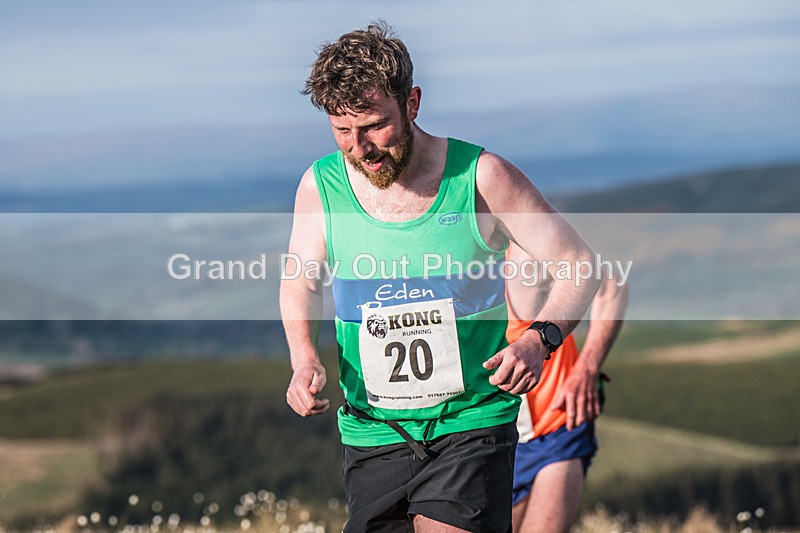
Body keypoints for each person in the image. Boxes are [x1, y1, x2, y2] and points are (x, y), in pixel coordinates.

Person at [280, 22, 600, 533]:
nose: (360, 149)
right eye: (343, 131)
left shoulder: (481, 177)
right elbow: (301, 279)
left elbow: (578, 265)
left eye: (374, 126)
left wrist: (541, 339)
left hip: (471, 423)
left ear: (412, 103)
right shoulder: (321, 187)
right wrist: (303, 358)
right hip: (373, 430)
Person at [504, 244, 629, 533]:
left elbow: (611, 285)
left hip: (555, 427)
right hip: (481, 439)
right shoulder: (434, 264)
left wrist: (586, 368)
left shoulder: (525, 250)